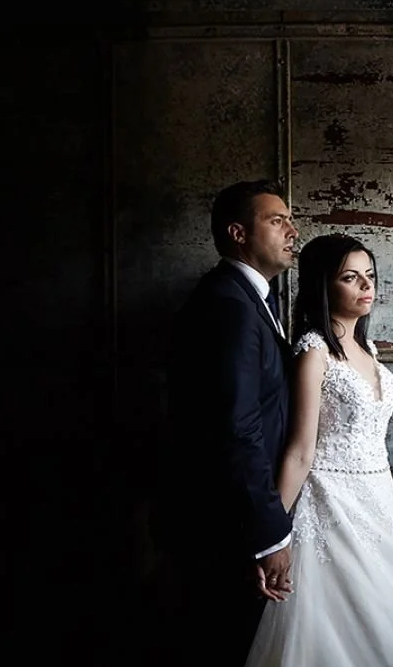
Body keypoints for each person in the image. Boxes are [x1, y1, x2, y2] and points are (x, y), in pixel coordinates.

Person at [246, 233, 393, 667]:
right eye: (350, 277)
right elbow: (300, 451)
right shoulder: (314, 353)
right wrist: (271, 533)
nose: (366, 285)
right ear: (323, 285)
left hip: (380, 501)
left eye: (369, 275)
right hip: (331, 503)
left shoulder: (366, 348)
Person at [153, 180, 301, 666]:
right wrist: (269, 534)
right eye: (276, 221)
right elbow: (236, 428)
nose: (292, 230)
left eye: (290, 219)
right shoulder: (228, 306)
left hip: (231, 518)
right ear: (238, 233)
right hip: (225, 525)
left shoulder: (251, 299)